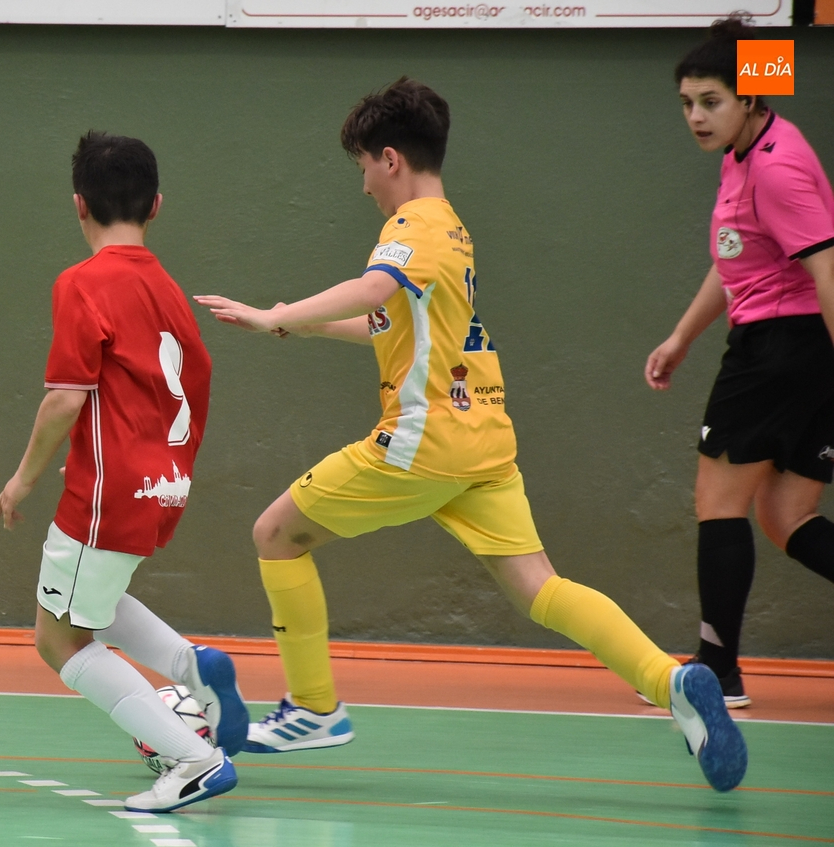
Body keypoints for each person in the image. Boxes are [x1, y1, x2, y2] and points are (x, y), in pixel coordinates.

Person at [195, 77, 747, 792]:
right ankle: (670, 681)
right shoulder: (452, 228)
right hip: (482, 442)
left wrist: (275, 315)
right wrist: (302, 327)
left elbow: (373, 290)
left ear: (390, 159)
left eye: (364, 167)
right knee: (540, 587)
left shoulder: (413, 227)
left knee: (276, 534)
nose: (364, 185)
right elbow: (390, 322)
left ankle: (314, 707)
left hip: (422, 441)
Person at [0, 131, 248, 813]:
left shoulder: (82, 283)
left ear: (79, 204)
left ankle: (194, 759)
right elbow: (193, 382)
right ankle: (192, 668)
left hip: (107, 491)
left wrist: (23, 478)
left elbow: (65, 399)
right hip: (163, 484)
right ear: (156, 205)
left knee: (57, 638)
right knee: (93, 605)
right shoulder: (168, 290)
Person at [645, 18, 834, 709]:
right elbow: (738, 258)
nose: (696, 116)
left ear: (749, 98)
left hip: (778, 351)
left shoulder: (777, 169)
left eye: (711, 101)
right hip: (801, 353)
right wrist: (682, 337)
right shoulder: (746, 151)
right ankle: (719, 667)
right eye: (687, 103)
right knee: (788, 516)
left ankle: (717, 671)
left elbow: (827, 270)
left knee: (718, 502)